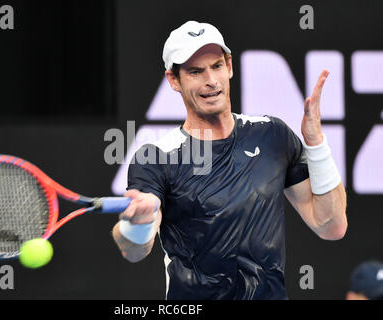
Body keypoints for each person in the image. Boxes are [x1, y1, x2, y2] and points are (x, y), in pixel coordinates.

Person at [112, 20, 347, 299]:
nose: (210, 80)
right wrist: (137, 224)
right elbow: (134, 251)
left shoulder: (272, 135)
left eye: (216, 66)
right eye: (195, 72)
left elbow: (331, 226)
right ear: (174, 80)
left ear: (230, 66)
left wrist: (317, 144)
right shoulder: (156, 158)